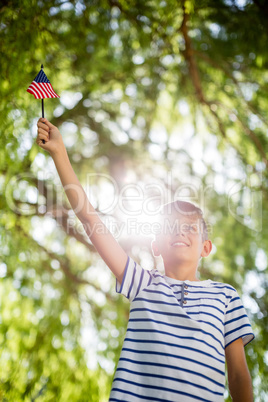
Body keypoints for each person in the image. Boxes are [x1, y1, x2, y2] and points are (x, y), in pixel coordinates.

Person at [36, 118, 254, 402]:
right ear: (156, 246)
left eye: (189, 227)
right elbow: (90, 219)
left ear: (206, 247)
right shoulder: (141, 283)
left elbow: (238, 375)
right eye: (170, 227)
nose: (179, 231)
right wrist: (59, 152)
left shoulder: (225, 297)